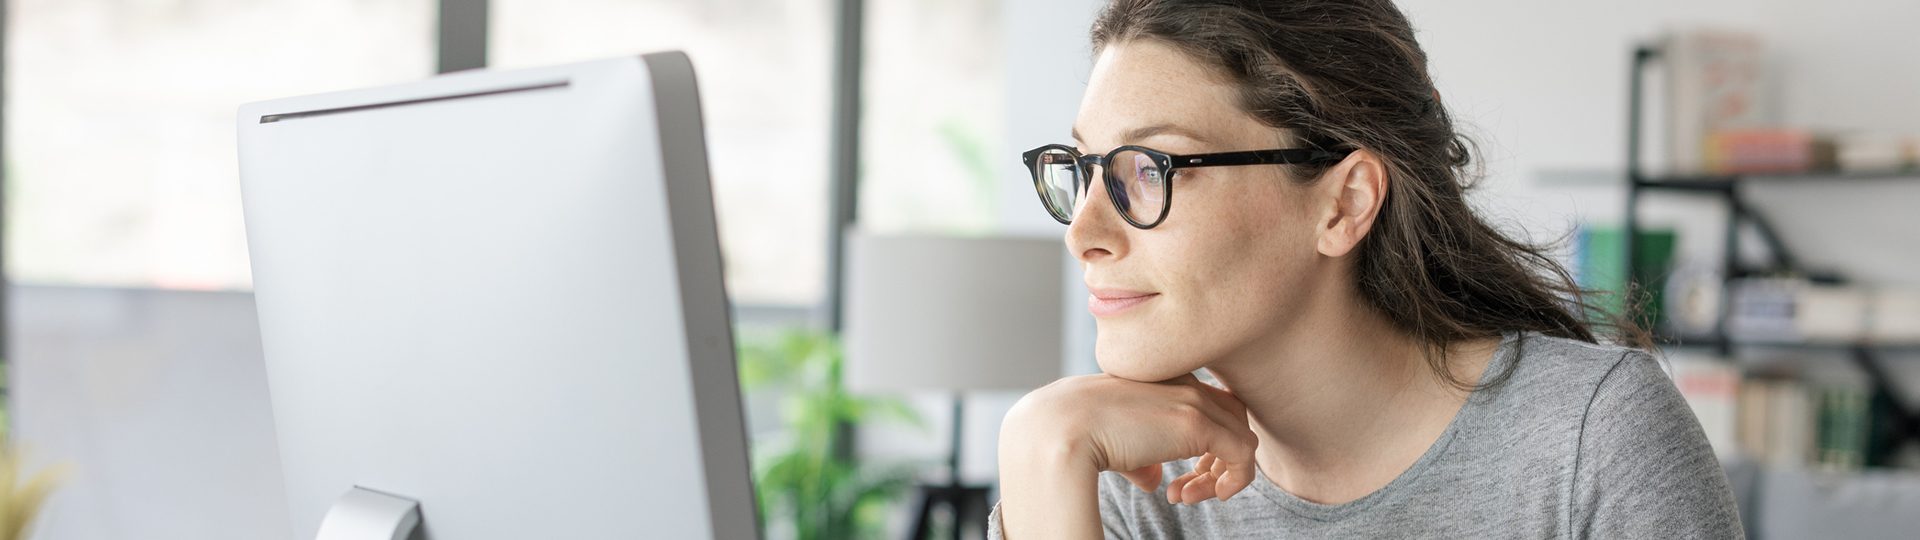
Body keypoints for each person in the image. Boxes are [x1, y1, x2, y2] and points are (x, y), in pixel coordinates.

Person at [988, 0, 1743, 538]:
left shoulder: (1592, 442)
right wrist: (1038, 449)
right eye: (1084, 169)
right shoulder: (1120, 481)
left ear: (1344, 202)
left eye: (1146, 168)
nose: (1083, 231)